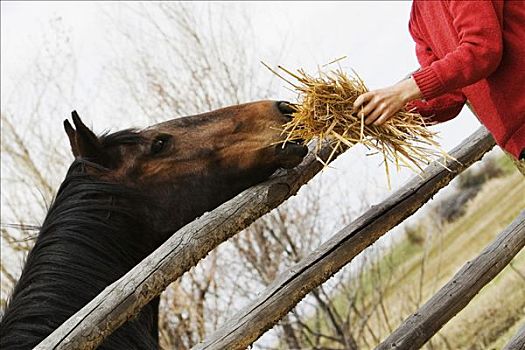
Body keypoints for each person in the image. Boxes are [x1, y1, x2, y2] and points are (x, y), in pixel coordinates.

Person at [353, 0, 525, 169]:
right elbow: (450, 96)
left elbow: (482, 49)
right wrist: (390, 114)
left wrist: (402, 91)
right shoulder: (417, 19)